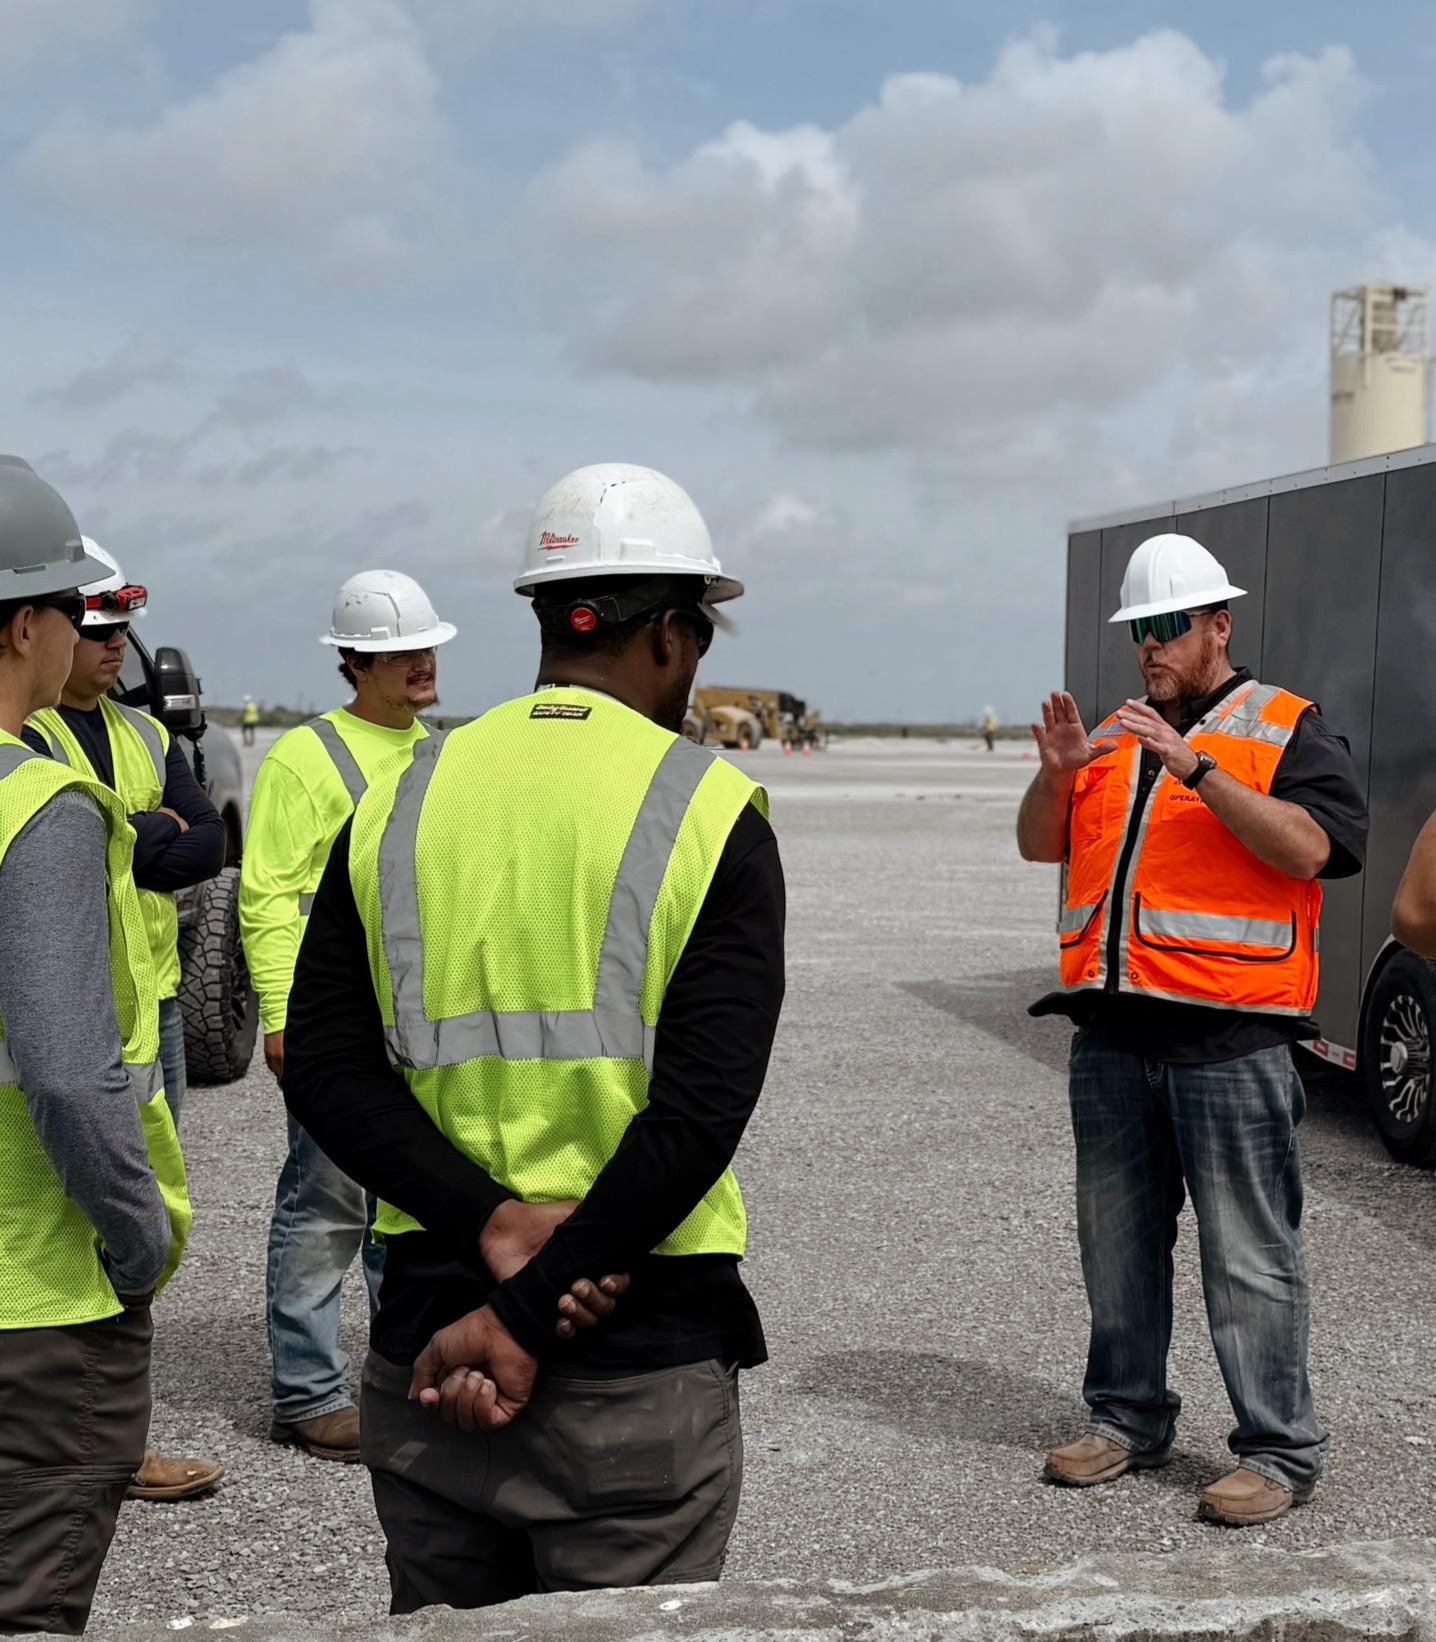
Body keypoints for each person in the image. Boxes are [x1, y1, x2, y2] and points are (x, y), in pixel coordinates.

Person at [283, 462, 785, 1612]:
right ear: (667, 636)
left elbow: (323, 1065)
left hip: (428, 1339)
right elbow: (696, 1115)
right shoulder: (705, 810)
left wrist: (492, 1230)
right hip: (631, 1348)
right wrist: (528, 1304)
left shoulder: (400, 799)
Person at [1016, 532, 1367, 1527]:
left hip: (1230, 1041)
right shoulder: (1114, 737)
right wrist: (1052, 775)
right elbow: (1041, 842)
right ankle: (1125, 1418)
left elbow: (1317, 848)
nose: (1151, 647)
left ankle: (1278, 1449)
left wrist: (1198, 768)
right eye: (1140, 630)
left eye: (1170, 627)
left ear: (1219, 624)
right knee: (1114, 1244)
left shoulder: (1282, 727)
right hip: (1113, 1040)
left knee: (1247, 1252)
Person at [0, 456, 191, 1633]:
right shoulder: (37, 806)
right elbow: (70, 1075)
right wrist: (138, 1242)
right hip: (35, 1299)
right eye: (77, 611)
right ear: (27, 623)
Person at [22, 539, 224, 1506]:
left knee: (125, 1206)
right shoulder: (35, 762)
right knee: (108, 1222)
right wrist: (141, 837)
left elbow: (205, 846)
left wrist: (154, 842)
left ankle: (117, 1432)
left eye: (119, 629)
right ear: (34, 627)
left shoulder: (146, 737)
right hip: (78, 1017)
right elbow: (136, 845)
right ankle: (101, 1440)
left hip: (153, 1002)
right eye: (91, 624)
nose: (111, 646)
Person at [239, 570, 455, 1462]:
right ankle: (307, 1393)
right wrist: (284, 1017)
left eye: (428, 647)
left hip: (421, 1025)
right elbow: (268, 895)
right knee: (326, 1204)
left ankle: (393, 1374)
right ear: (358, 663)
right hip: (336, 1023)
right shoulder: (306, 758)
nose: (423, 665)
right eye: (404, 652)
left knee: (406, 1204)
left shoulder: (438, 752)